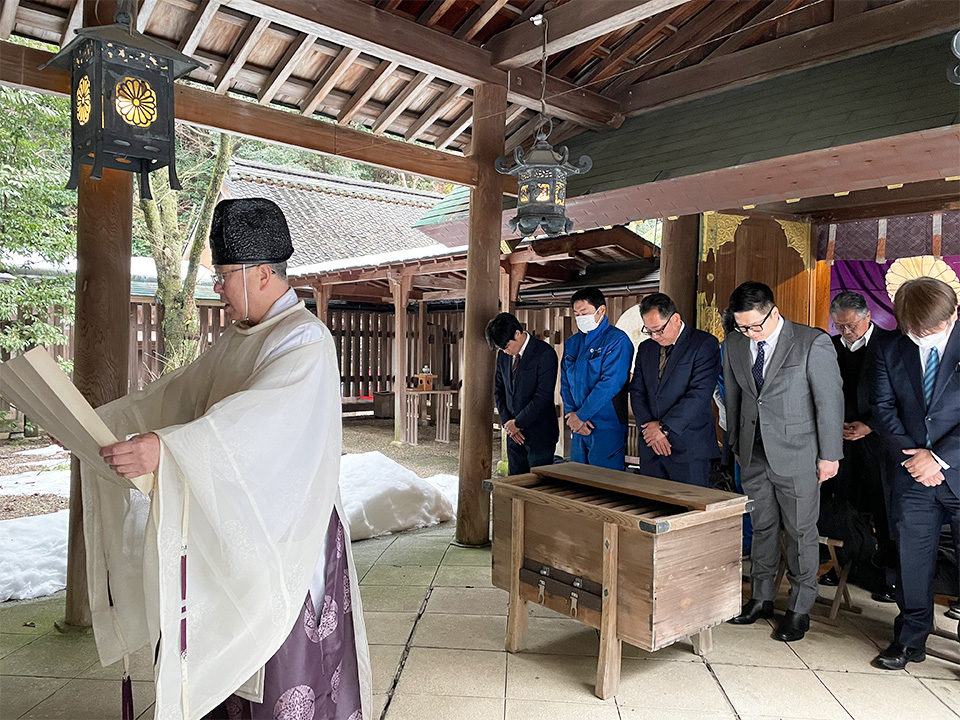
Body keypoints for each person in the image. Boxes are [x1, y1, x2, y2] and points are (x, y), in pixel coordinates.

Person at [84, 198, 371, 719]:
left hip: (289, 532)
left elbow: (253, 424)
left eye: (223, 276)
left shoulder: (304, 341)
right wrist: (97, 425)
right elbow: (177, 394)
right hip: (236, 527)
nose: (217, 288)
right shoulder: (241, 337)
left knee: (284, 672)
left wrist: (166, 448)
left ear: (262, 273)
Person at [724, 281, 843, 642]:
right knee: (762, 528)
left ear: (774, 312)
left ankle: (799, 609)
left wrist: (830, 455)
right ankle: (761, 599)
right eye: (742, 327)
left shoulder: (811, 342)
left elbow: (829, 402)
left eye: (754, 326)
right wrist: (735, 443)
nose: (749, 333)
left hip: (799, 454)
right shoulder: (734, 344)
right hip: (753, 452)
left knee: (800, 532)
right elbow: (734, 396)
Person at [871, 276, 959, 670]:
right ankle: (910, 639)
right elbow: (882, 407)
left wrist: (937, 458)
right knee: (912, 559)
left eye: (931, 330)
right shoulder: (890, 346)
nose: (922, 336)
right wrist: (915, 459)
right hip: (911, 474)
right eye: (914, 330)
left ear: (953, 314)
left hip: (956, 468)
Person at [823, 291, 898, 600]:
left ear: (868, 317)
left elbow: (902, 396)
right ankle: (843, 565)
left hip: (880, 441)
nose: (846, 331)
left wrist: (870, 426)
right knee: (843, 507)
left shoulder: (890, 343)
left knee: (885, 510)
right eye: (839, 326)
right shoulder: (828, 347)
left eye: (851, 325)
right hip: (841, 440)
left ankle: (890, 579)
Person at [629, 293, 721, 486]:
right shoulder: (646, 348)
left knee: (690, 503)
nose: (655, 336)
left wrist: (664, 428)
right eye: (649, 331)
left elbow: (699, 393)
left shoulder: (703, 343)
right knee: (650, 502)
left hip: (688, 446)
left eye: (659, 330)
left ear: (676, 319)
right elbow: (637, 391)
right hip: (651, 446)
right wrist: (650, 431)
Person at [560, 287, 633, 470]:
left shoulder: (617, 340)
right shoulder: (572, 343)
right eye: (576, 313)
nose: (580, 317)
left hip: (607, 424)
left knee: (604, 481)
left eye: (584, 312)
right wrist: (572, 415)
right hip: (578, 425)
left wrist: (581, 416)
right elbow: (565, 382)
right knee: (578, 478)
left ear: (601, 310)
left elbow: (611, 383)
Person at [486, 312, 559, 474]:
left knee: (538, 483)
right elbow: (499, 390)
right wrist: (508, 423)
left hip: (540, 433)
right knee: (515, 482)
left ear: (517, 334)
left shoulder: (544, 353)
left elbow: (543, 396)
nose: (505, 351)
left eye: (506, 346)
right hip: (513, 434)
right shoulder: (503, 356)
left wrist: (517, 423)